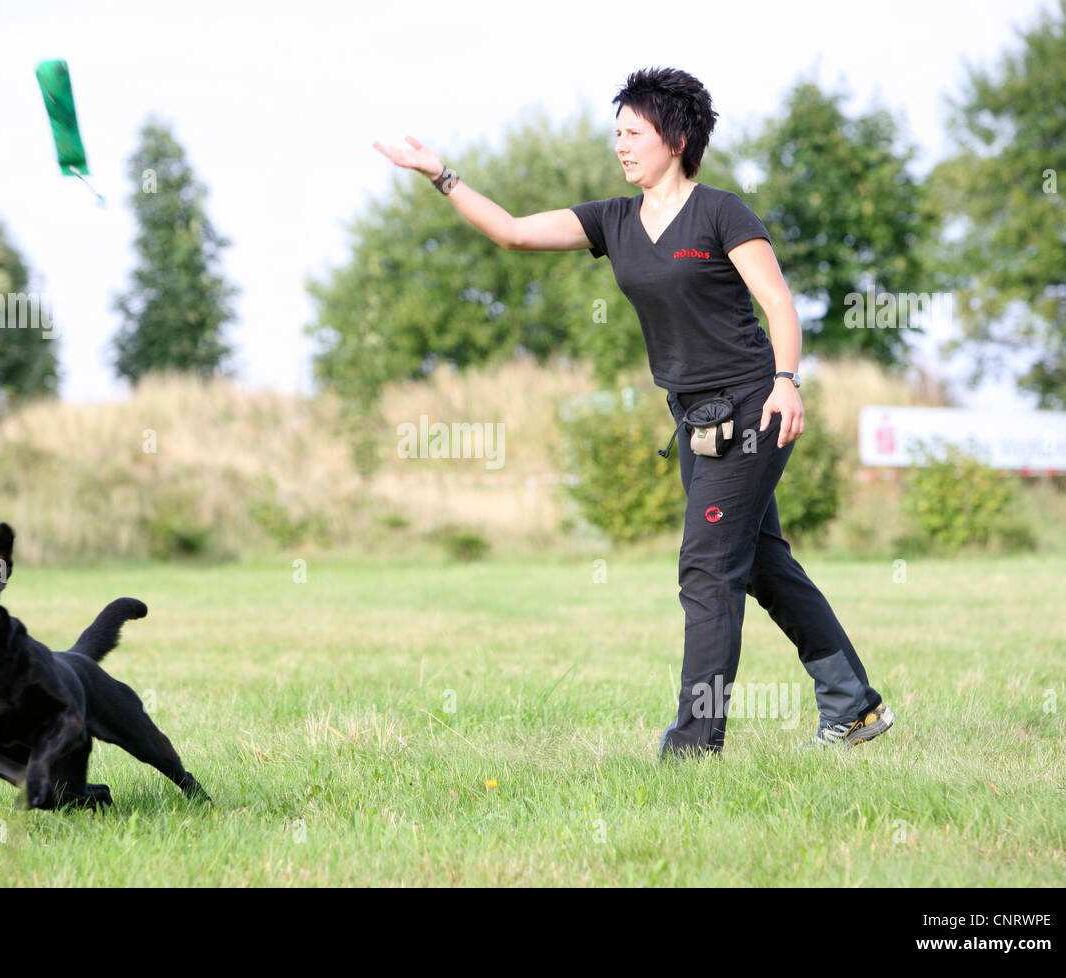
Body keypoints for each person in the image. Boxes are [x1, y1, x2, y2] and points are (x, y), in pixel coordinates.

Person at [374, 66, 894, 756]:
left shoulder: (722, 213)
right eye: (616, 133)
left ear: (675, 139)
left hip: (754, 406)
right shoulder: (613, 220)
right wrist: (441, 176)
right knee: (760, 565)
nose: (620, 145)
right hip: (694, 419)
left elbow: (778, 304)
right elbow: (513, 232)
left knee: (706, 570)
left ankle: (693, 744)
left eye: (633, 133)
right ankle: (855, 706)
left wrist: (787, 380)